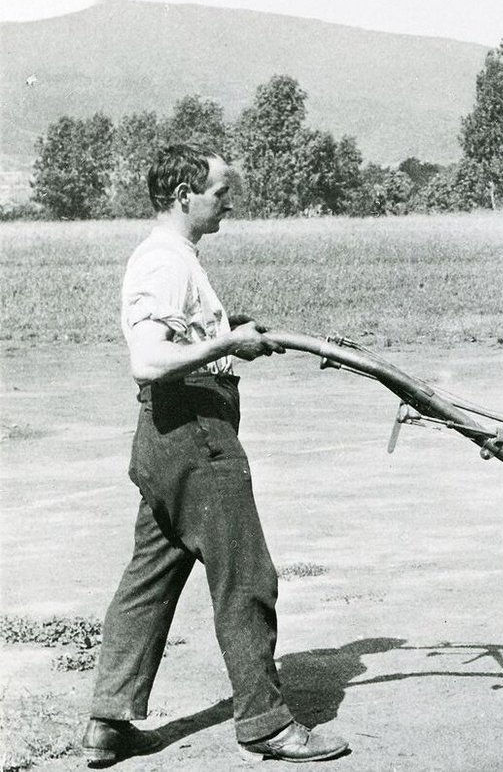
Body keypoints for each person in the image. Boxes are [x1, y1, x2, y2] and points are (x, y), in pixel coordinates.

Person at [82, 145, 349, 766]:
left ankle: (108, 722)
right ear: (183, 192)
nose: (229, 201)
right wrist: (228, 342)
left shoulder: (176, 259)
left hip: (166, 438)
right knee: (246, 576)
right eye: (220, 191)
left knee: (150, 577)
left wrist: (227, 332)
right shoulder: (164, 260)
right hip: (195, 434)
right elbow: (147, 359)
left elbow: (181, 337)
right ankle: (265, 724)